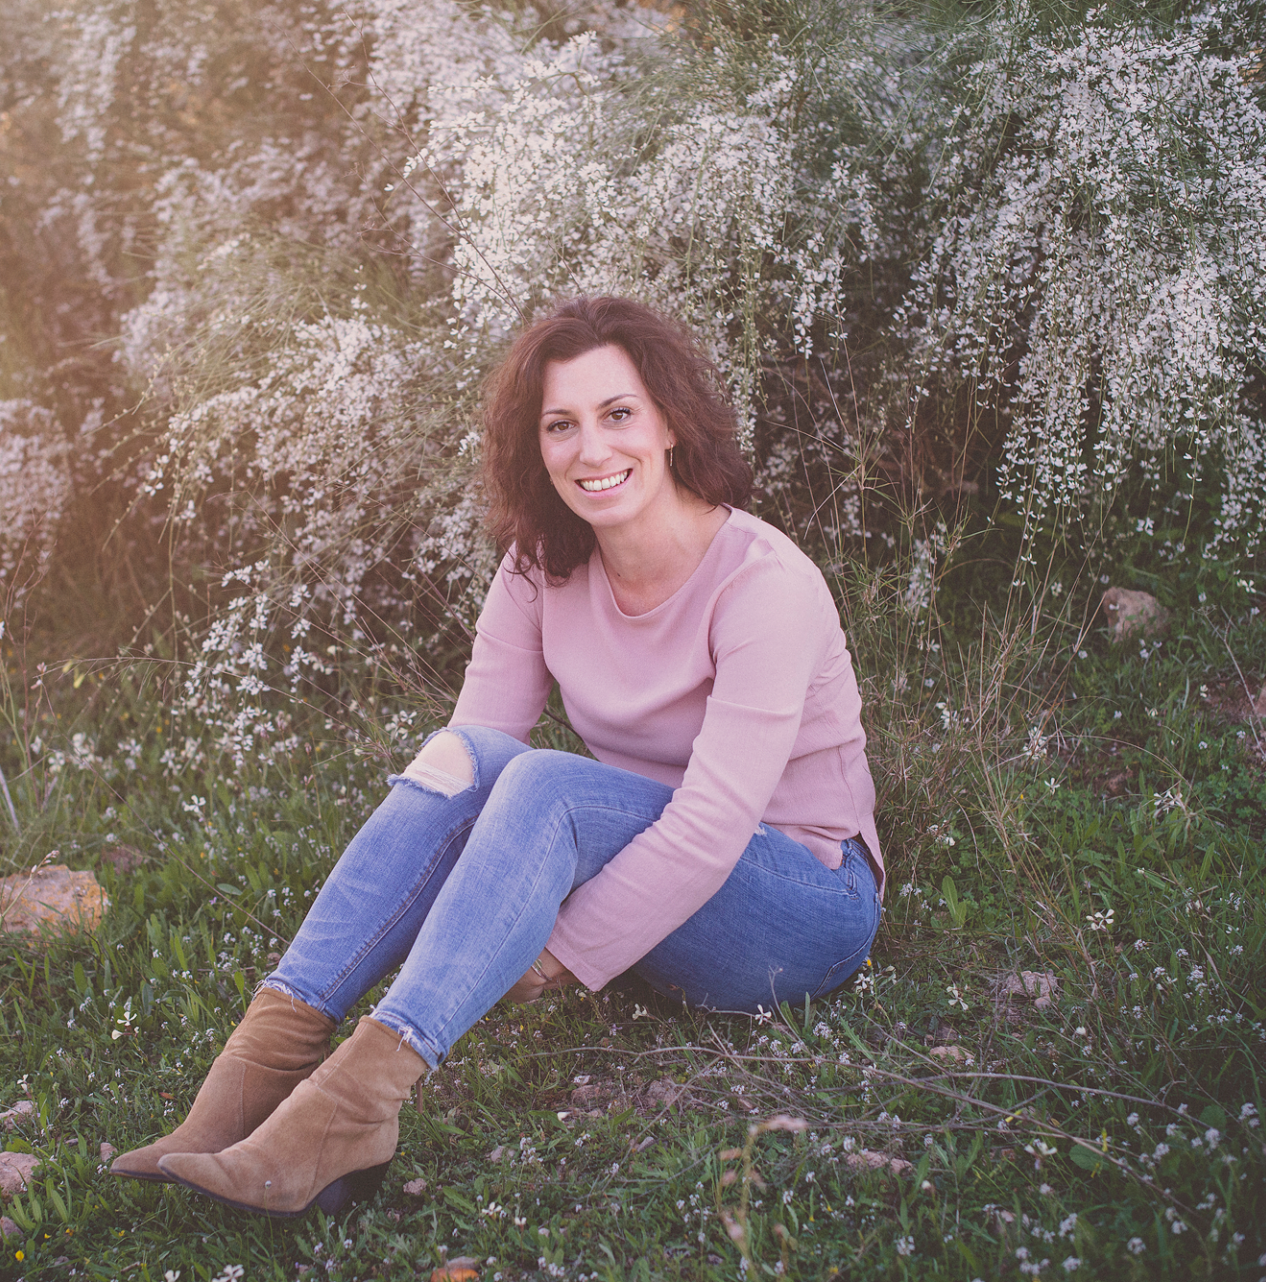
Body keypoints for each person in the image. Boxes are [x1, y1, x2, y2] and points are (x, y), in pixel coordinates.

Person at [109, 295, 884, 1217]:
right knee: (466, 759)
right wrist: (481, 908)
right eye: (562, 425)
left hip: (801, 906)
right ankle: (248, 1082)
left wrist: (545, 950)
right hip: (652, 893)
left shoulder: (763, 583)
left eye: (619, 414)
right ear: (536, 445)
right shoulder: (539, 566)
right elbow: (466, 775)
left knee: (548, 785)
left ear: (671, 423)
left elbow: (713, 828)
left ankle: (352, 1112)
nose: (591, 450)